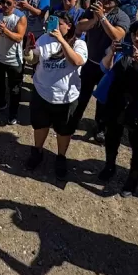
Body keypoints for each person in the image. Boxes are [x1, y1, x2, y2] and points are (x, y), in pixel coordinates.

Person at [94, 20, 138, 196]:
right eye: (133, 35)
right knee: (112, 136)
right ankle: (110, 166)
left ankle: (133, 179)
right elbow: (104, 68)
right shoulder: (123, 51)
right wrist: (111, 52)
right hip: (117, 102)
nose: (135, 39)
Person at [23, 12, 88, 179]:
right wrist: (28, 51)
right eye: (53, 22)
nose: (55, 27)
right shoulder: (44, 39)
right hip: (42, 91)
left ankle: (61, 157)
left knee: (64, 130)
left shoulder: (79, 43)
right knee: (40, 125)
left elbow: (77, 62)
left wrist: (61, 41)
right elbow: (33, 60)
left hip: (66, 97)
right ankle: (37, 151)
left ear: (69, 26)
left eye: (60, 24)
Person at [73, 0, 131, 143]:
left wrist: (103, 18)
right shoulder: (93, 11)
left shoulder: (122, 16)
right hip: (90, 62)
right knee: (82, 95)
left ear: (116, 3)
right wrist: (95, 19)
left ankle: (100, 127)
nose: (104, 0)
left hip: (108, 67)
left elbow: (117, 36)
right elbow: (79, 26)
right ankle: (73, 121)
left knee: (103, 99)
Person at [0, 0, 28, 124]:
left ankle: (13, 113)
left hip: (13, 59)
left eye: (8, 3)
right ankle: (0, 103)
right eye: (2, 1)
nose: (4, 5)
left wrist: (5, 31)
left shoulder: (20, 17)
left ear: (14, 4)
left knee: (14, 88)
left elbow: (19, 37)